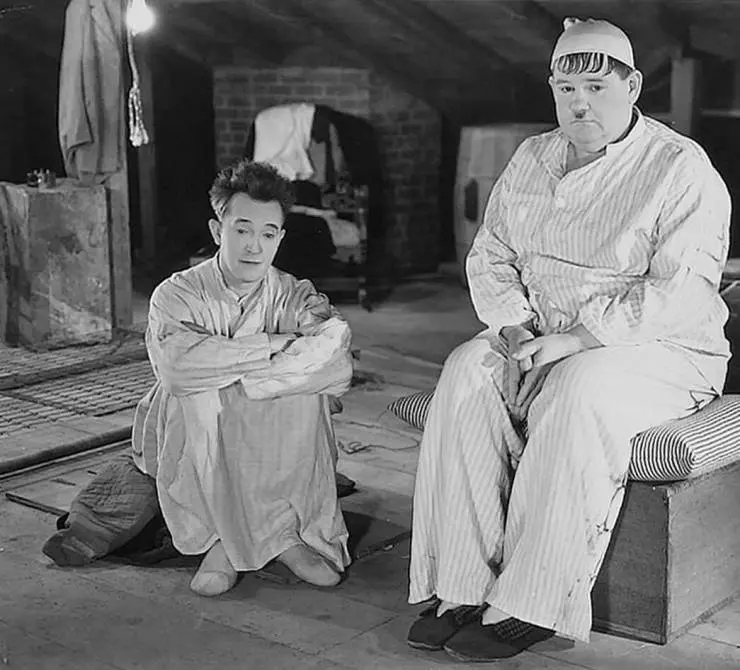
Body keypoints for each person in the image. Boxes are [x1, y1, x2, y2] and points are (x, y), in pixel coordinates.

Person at [406, 17, 731, 662]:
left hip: (656, 351)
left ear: (632, 87)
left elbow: (680, 291)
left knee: (576, 389)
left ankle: (530, 603)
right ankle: (462, 585)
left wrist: (574, 342)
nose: (579, 104)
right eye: (565, 89)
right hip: (539, 334)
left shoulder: (679, 166)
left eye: (596, 88)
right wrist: (514, 329)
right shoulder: (532, 156)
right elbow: (491, 254)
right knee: (466, 369)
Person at [131, 160, 353, 596]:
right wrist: (271, 345)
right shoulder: (177, 293)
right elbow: (176, 370)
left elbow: (336, 362)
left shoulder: (294, 294)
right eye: (242, 230)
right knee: (207, 395)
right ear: (218, 231)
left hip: (271, 431)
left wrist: (232, 367)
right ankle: (224, 541)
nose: (254, 246)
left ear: (280, 238)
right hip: (193, 423)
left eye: (268, 234)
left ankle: (282, 534)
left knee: (301, 392)